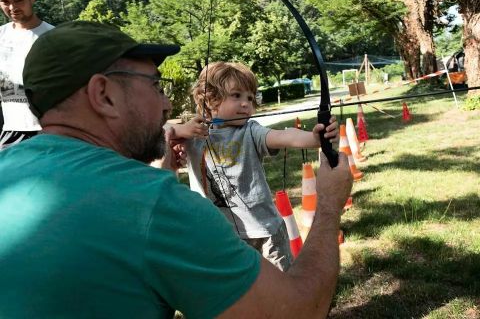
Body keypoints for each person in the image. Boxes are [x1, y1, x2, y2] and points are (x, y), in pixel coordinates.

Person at [0, 21, 353, 318]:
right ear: (103, 95)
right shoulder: (156, 204)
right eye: (155, 85)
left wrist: (166, 162)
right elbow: (297, 311)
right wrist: (329, 204)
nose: (167, 103)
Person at [174, 61, 339, 271]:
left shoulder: (251, 131)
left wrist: (314, 139)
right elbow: (155, 132)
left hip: (264, 231)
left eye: (250, 98)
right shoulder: (191, 136)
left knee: (279, 288)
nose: (246, 104)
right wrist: (180, 131)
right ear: (210, 99)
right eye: (236, 95)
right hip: (220, 236)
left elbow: (283, 136)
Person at [0, 0, 54, 149]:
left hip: (49, 130)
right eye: (5, 2)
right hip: (11, 131)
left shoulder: (54, 36)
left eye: (18, 0)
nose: (12, 7)